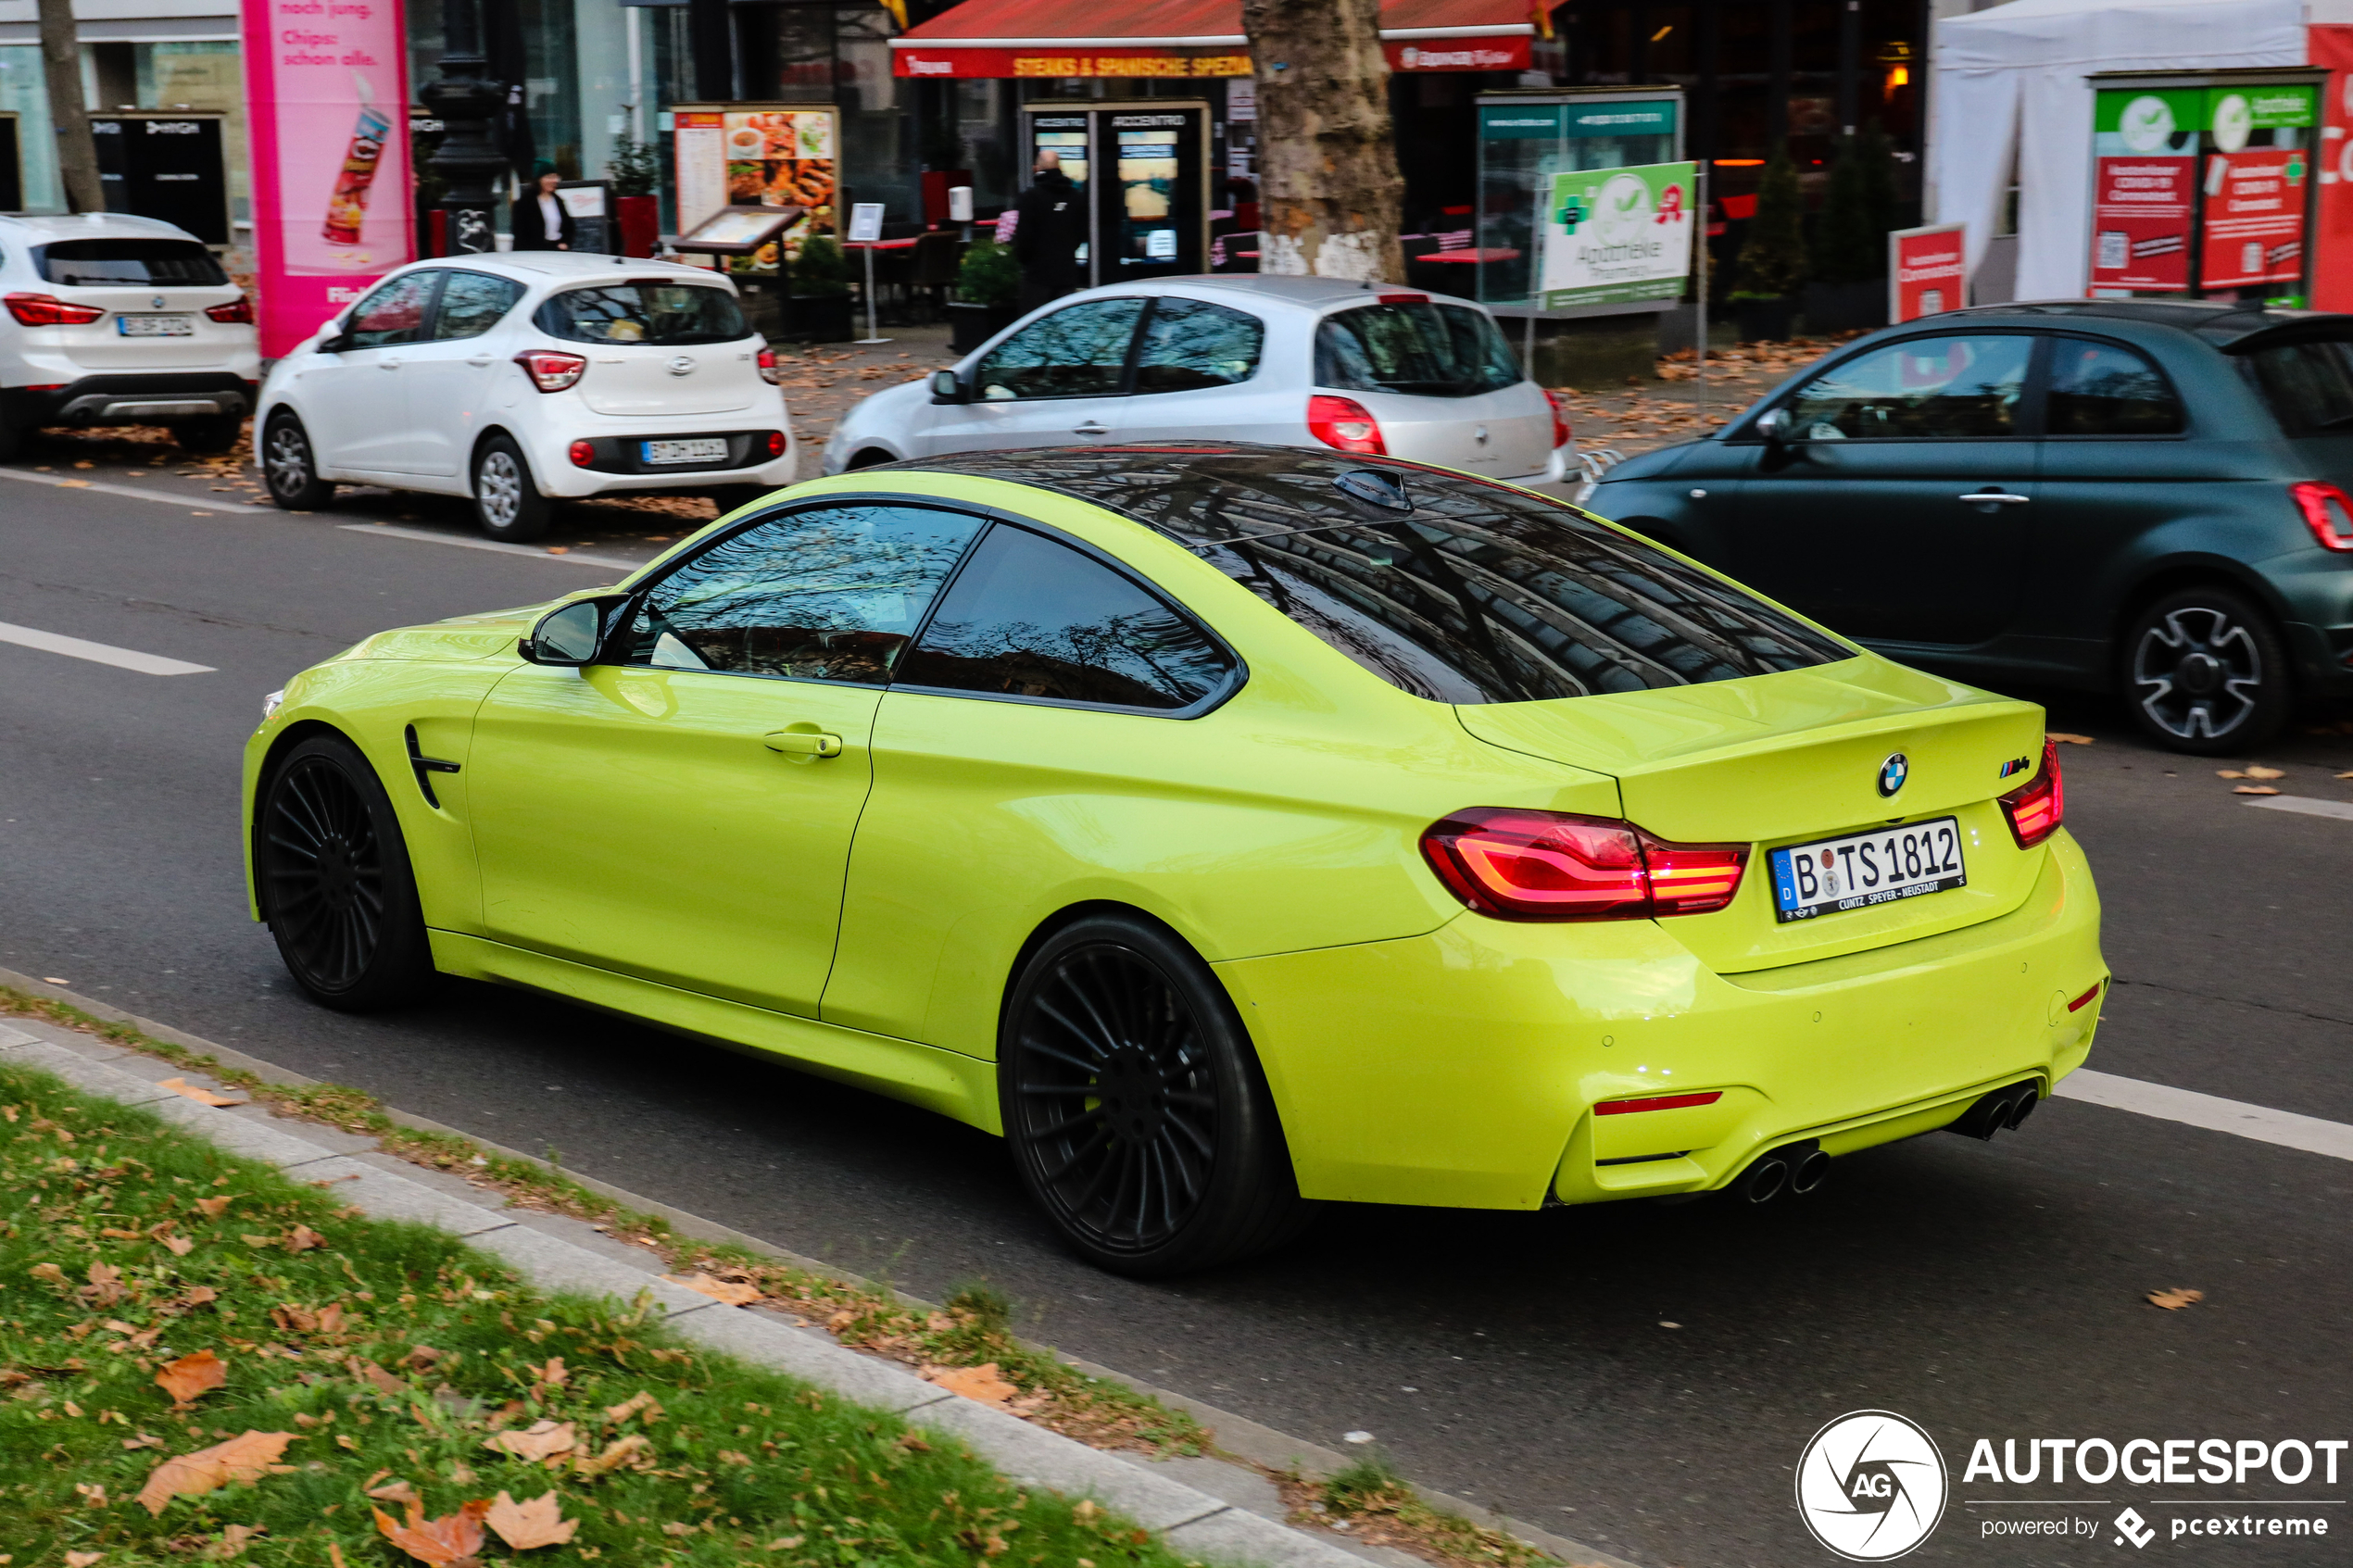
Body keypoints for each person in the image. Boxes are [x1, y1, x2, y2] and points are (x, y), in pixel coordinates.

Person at [1011, 150, 1087, 311]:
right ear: (1059, 168)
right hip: (1067, 276)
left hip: (1037, 278)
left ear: (1036, 168)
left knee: (1033, 329)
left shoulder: (1030, 198)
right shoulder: (1076, 197)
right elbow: (1081, 234)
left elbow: (1024, 238)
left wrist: (1025, 260)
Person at [510, 161, 573, 251]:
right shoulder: (525, 203)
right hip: (535, 253)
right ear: (538, 180)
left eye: (556, 177)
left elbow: (569, 226)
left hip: (558, 252)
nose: (554, 180)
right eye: (549, 177)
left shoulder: (557, 200)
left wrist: (565, 243)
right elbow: (520, 233)